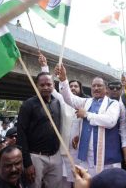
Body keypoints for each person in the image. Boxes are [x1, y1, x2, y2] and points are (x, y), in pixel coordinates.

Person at [56, 63, 122, 177]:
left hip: (106, 157)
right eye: (94, 86)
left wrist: (86, 114)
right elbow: (69, 99)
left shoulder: (113, 103)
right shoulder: (86, 102)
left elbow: (110, 121)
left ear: (106, 89)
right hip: (87, 156)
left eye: (99, 86)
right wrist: (63, 80)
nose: (96, 88)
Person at [38, 52, 85, 187]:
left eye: (76, 86)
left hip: (80, 154)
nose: (73, 88)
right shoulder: (62, 101)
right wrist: (44, 67)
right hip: (63, 152)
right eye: (71, 87)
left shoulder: (86, 104)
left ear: (80, 90)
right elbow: (51, 89)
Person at [17, 72, 62, 188]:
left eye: (49, 84)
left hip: (55, 156)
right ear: (37, 86)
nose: (46, 87)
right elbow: (21, 134)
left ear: (53, 85)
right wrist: (27, 163)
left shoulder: (57, 103)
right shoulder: (28, 105)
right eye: (42, 85)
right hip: (36, 157)